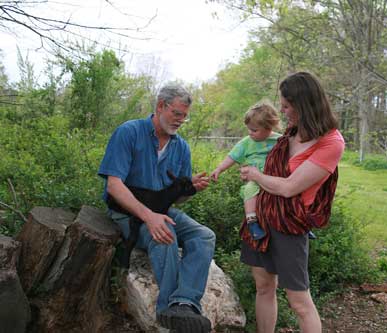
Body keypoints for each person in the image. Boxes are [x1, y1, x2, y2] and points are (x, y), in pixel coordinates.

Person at [98, 84, 215, 333]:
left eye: (185, 116)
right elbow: (114, 186)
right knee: (165, 235)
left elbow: (177, 200)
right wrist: (149, 217)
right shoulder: (129, 132)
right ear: (161, 106)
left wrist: (190, 188)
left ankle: (183, 304)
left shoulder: (181, 147)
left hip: (160, 210)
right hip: (126, 212)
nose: (181, 120)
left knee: (204, 235)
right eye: (177, 113)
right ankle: (165, 314)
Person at [239, 71, 345, 333]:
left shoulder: (331, 142)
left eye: (286, 106)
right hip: (261, 219)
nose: (282, 111)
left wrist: (255, 175)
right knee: (264, 288)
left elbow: (288, 188)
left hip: (289, 225)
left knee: (299, 302)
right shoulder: (292, 131)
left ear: (304, 104)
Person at [210, 101, 281, 240]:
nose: (250, 133)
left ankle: (300, 222)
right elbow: (233, 156)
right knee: (249, 190)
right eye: (249, 129)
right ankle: (252, 221)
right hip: (254, 179)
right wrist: (219, 169)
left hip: (277, 179)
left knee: (291, 194)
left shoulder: (280, 140)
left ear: (269, 127)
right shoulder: (246, 142)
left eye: (254, 130)